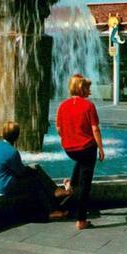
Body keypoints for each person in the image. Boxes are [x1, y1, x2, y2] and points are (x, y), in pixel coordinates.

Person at [0, 120, 68, 221]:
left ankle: (55, 195)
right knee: (36, 182)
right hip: (7, 185)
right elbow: (21, 172)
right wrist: (31, 169)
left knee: (35, 169)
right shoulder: (12, 152)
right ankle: (52, 209)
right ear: (17, 136)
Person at [56, 74, 105, 230]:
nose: (90, 92)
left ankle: (70, 184)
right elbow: (95, 129)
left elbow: (58, 129)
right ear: (81, 88)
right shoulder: (88, 106)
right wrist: (101, 148)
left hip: (69, 149)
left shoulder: (62, 106)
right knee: (85, 185)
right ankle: (81, 220)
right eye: (88, 88)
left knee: (81, 161)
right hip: (86, 149)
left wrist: (68, 138)